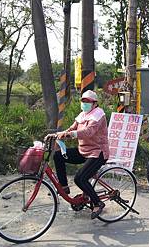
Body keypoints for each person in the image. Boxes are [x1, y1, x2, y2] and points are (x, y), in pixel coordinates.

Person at [46, 90, 109, 219]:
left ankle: (98, 203)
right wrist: (56, 135)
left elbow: (89, 131)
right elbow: (71, 129)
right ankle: (64, 187)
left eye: (87, 102)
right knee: (58, 155)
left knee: (80, 178)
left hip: (97, 152)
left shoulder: (98, 114)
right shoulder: (82, 115)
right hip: (83, 151)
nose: (84, 104)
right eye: (83, 101)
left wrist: (73, 134)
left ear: (95, 103)